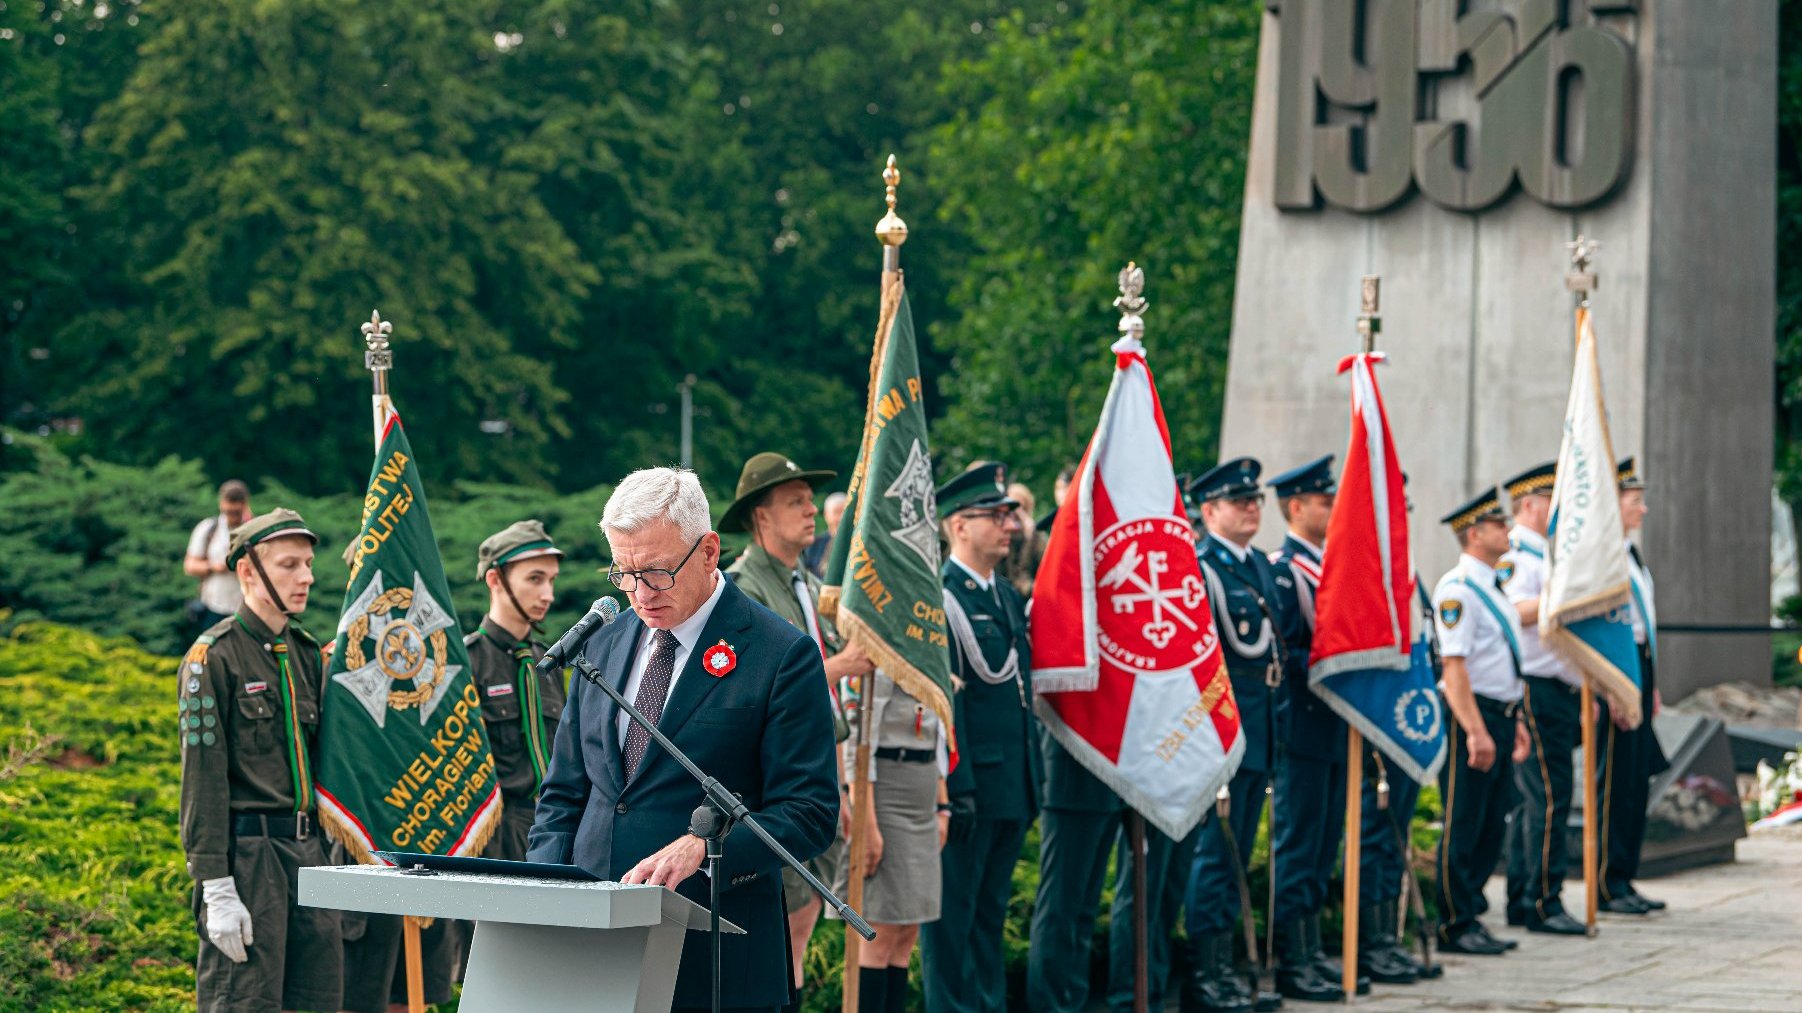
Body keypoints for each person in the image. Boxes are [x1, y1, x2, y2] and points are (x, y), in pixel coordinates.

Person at [526, 467, 839, 1011]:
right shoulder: (602, 644)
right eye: (624, 573)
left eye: (657, 572)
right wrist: (541, 899)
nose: (640, 594)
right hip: (592, 948)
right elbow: (565, 795)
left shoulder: (779, 653)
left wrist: (707, 847)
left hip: (713, 951)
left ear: (710, 551)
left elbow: (809, 812)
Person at [717, 452, 875, 1008]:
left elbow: (816, 706)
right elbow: (756, 694)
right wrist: (839, 666)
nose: (811, 512)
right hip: (767, 791)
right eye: (796, 502)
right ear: (761, 516)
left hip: (808, 780)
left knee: (802, 928)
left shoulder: (803, 583)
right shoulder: (742, 591)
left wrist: (837, 783)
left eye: (810, 501)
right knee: (780, 933)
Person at [178, 508, 342, 1012]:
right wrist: (215, 885)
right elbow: (202, 783)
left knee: (318, 999)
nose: (307, 577)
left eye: (308, 563)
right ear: (247, 571)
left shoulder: (307, 654)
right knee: (245, 1003)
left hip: (310, 855)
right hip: (250, 862)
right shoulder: (212, 658)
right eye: (290, 564)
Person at [1176, 457, 1295, 1012]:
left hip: (1261, 724)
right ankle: (1206, 976)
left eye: (1255, 500)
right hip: (1222, 728)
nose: (1252, 508)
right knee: (1214, 854)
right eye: (1238, 501)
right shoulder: (1203, 569)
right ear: (1209, 511)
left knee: (1237, 851)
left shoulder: (1260, 568)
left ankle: (1228, 968)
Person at [920, 463, 1038, 1013]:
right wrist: (956, 784)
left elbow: (1018, 690)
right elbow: (948, 701)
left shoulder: (1006, 598)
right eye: (994, 515)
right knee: (952, 920)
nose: (1009, 525)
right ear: (958, 525)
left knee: (990, 916)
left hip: (1011, 782)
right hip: (969, 788)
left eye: (1008, 514)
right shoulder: (939, 599)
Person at [1265, 454, 1364, 1001]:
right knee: (1300, 845)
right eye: (1325, 502)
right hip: (1301, 725)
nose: (1333, 509)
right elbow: (1285, 650)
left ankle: (1311, 952)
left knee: (1326, 843)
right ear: (1297, 506)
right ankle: (1291, 960)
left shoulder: (1331, 564)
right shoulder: (1284, 570)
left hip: (1333, 724)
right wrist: (1333, 663)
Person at [1432, 488, 1529, 956]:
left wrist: (1519, 721)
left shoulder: (1493, 587)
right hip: (1473, 715)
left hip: (1502, 714)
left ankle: (1471, 912)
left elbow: (1505, 661)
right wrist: (1475, 730)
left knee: (1493, 821)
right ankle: (1454, 921)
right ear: (1474, 534)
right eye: (1498, 525)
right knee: (1465, 819)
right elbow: (1455, 669)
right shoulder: (1459, 591)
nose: (1507, 530)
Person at [1497, 462, 1588, 937]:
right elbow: (1512, 613)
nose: (1558, 509)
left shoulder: (1543, 557)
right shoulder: (1518, 557)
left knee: (1539, 799)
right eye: (1551, 500)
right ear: (1530, 506)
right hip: (1535, 687)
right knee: (1550, 799)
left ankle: (1523, 897)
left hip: (1556, 688)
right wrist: (1563, 592)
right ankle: (1542, 901)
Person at [1597, 456, 1670, 914]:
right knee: (1616, 782)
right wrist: (1614, 686)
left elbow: (1644, 625)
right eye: (1635, 501)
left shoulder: (1631, 554)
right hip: (1616, 675)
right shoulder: (1602, 559)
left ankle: (1625, 875)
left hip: (1640, 673)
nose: (1642, 510)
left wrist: (1652, 683)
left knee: (1635, 781)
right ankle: (1608, 882)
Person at [1026, 681, 1122, 1012]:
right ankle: (1049, 1005)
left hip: (1107, 771)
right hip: (1069, 775)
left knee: (1083, 912)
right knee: (1060, 909)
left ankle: (1072, 1002)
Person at [184, 480, 252, 635]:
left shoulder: (252, 530)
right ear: (222, 504)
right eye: (229, 512)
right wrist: (213, 567)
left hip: (246, 608)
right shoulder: (208, 529)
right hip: (213, 606)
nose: (233, 516)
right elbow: (189, 566)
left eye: (237, 512)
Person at [999, 482, 1049, 599]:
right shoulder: (1002, 535)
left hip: (1030, 595)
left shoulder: (1035, 536)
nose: (1014, 513)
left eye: (1019, 508)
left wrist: (1029, 536)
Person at [804, 490, 849, 578]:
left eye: (845, 512)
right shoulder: (812, 544)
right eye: (837, 512)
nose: (841, 517)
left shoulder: (858, 543)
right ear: (826, 515)